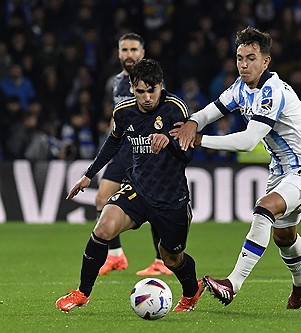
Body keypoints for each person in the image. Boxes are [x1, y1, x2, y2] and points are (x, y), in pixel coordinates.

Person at [171, 27, 301, 309]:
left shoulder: (272, 91)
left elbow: (248, 141)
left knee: (265, 207)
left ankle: (232, 283)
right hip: (282, 171)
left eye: (251, 58)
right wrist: (193, 121)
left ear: (266, 61)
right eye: (239, 58)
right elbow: (213, 110)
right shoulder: (241, 88)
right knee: (284, 236)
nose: (244, 65)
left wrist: (199, 139)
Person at [56, 59, 203, 312]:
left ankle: (192, 292)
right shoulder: (123, 111)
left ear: (161, 86)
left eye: (151, 90)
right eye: (140, 91)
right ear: (132, 88)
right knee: (103, 228)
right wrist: (89, 174)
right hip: (138, 189)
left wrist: (168, 140)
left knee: (171, 258)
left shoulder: (175, 109)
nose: (146, 97)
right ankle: (82, 293)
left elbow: (187, 155)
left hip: (171, 197)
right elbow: (113, 143)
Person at [96, 33, 172, 276]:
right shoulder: (115, 83)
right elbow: (117, 115)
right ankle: (116, 256)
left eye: (134, 50)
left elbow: (163, 117)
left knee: (153, 205)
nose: (129, 54)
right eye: (125, 50)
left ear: (143, 52)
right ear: (118, 53)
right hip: (122, 150)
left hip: (145, 150)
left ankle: (161, 260)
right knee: (101, 199)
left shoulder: (153, 82)